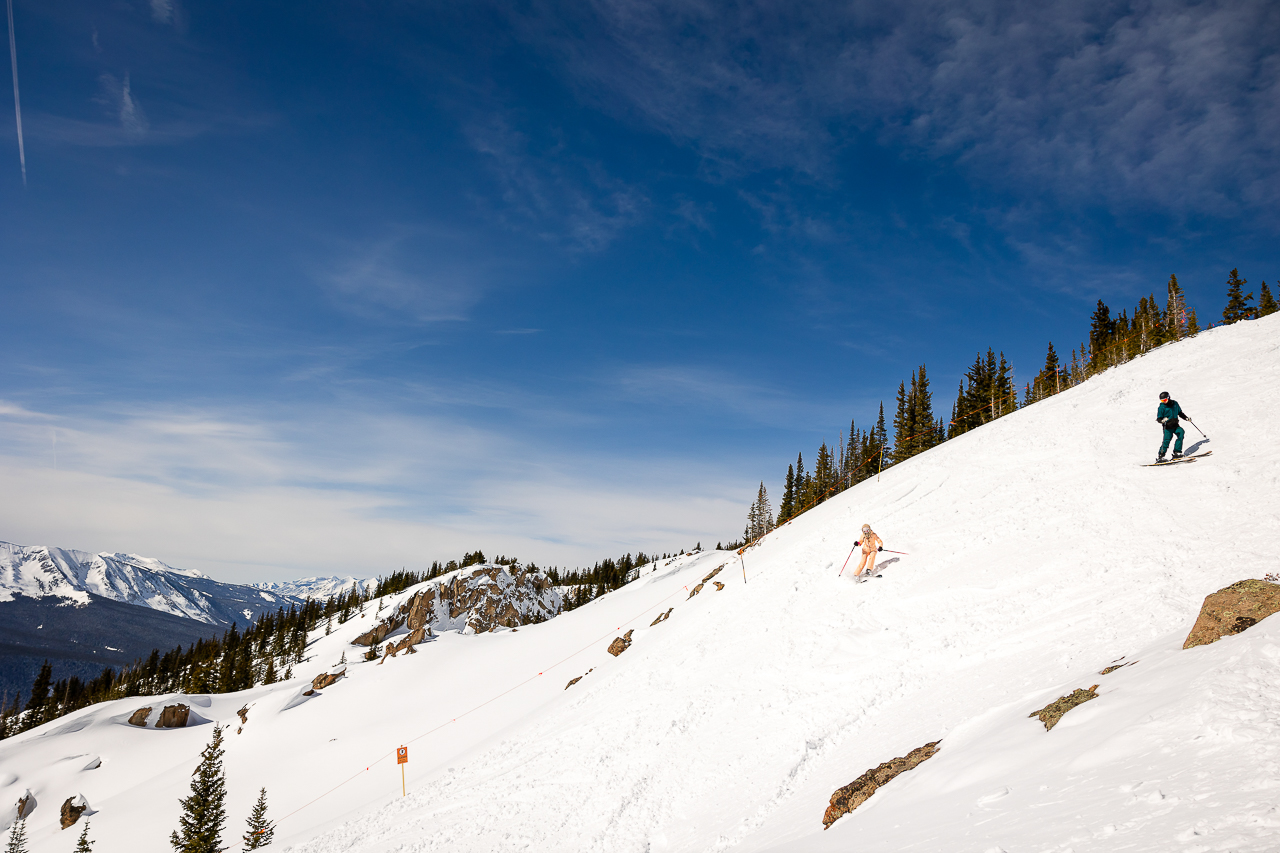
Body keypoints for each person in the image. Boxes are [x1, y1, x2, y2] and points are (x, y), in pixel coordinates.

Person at [1156, 391, 1191, 462]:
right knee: (1166, 441)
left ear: (1168, 398)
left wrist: (1186, 418)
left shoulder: (1175, 404)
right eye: (1162, 400)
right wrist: (1162, 420)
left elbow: (1180, 413)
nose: (1164, 402)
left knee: (1181, 432)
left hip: (1175, 425)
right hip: (1168, 427)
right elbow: (1158, 418)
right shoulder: (1161, 407)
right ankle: (1161, 456)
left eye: (1165, 400)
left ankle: (1177, 452)